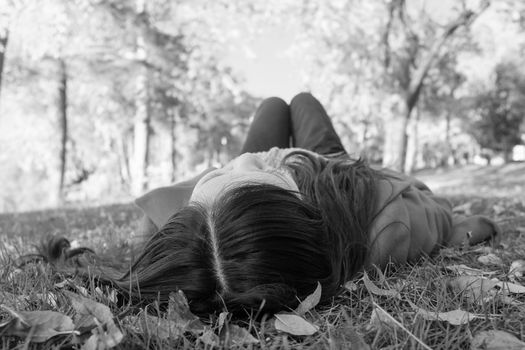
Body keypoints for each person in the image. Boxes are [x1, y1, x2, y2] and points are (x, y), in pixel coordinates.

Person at [42, 92, 499, 316]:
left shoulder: (180, 222)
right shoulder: (379, 222)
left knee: (273, 106)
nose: (238, 163)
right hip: (330, 170)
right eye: (238, 179)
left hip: (279, 184)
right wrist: (467, 226)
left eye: (217, 185)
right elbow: (445, 217)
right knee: (300, 102)